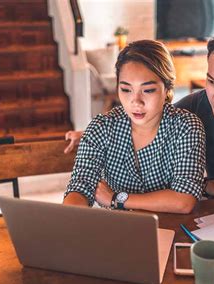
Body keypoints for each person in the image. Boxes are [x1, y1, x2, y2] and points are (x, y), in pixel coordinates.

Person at [65, 24, 214, 215]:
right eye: (211, 81)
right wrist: (91, 134)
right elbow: (151, 118)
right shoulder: (198, 105)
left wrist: (204, 186)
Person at [63, 40, 206, 214]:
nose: (135, 102)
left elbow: (184, 200)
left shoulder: (187, 127)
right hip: (118, 229)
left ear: (167, 88)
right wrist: (68, 219)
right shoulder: (101, 127)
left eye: (148, 90)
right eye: (126, 89)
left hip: (172, 228)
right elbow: (80, 186)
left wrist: (116, 198)